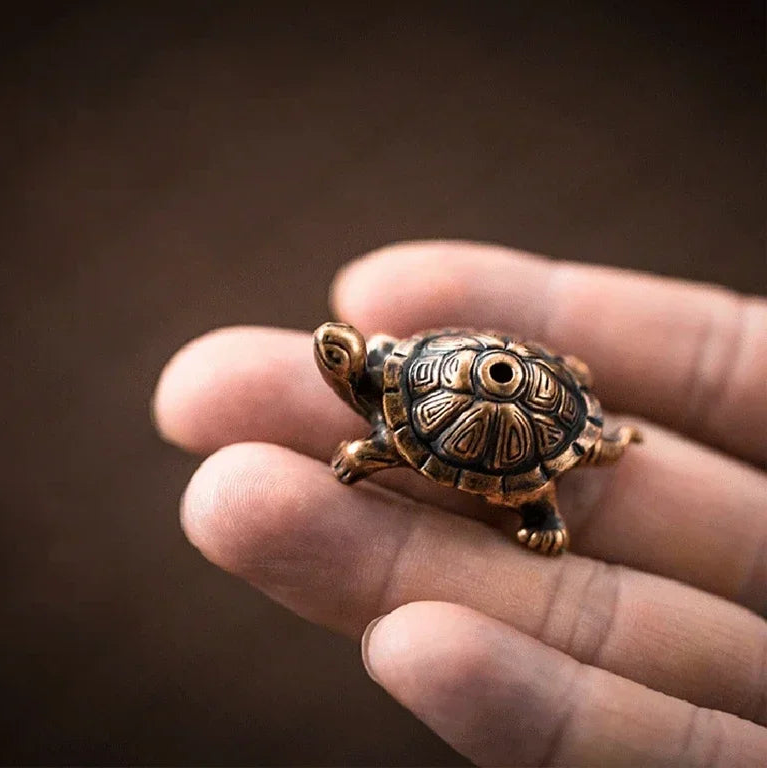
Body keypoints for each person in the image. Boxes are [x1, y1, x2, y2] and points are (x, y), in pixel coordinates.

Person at [152, 240, 767, 766]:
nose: (336, 354)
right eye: (340, 354)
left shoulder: (389, 408)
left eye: (339, 356)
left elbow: (393, 439)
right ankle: (596, 442)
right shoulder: (395, 364)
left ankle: (543, 511)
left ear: (349, 376)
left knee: (528, 481)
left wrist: (364, 457)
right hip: (515, 380)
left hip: (520, 422)